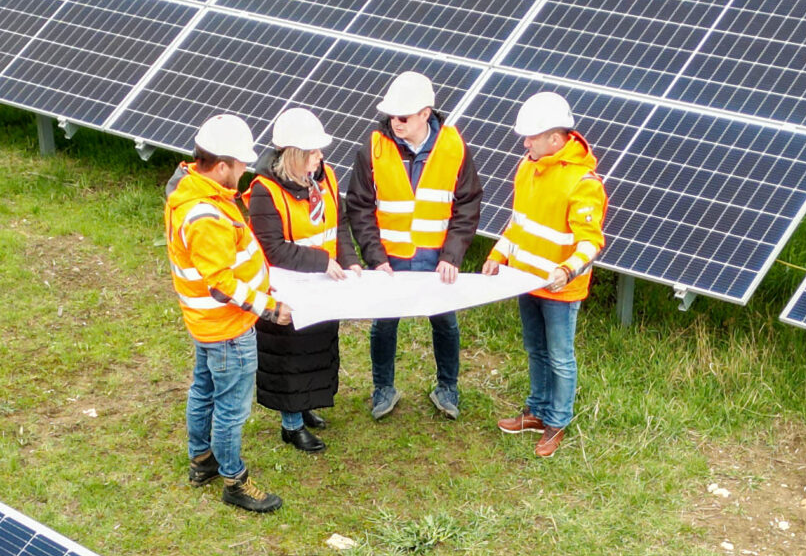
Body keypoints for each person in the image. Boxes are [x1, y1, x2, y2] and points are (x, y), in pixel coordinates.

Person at [166, 113, 285, 513]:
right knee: (231, 409)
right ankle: (234, 479)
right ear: (220, 166)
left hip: (207, 325)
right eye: (239, 165)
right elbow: (222, 284)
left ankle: (202, 461)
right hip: (228, 327)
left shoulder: (197, 193)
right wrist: (270, 308)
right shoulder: (206, 215)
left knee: (203, 391)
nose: (244, 170)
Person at [347, 69, 480, 422]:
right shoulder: (373, 147)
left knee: (446, 324)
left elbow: (467, 205)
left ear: (426, 113)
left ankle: (447, 387)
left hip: (437, 260)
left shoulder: (454, 146)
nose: (396, 122)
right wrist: (375, 258)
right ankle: (383, 388)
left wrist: (452, 255)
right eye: (392, 115)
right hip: (390, 261)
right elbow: (359, 206)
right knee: (384, 325)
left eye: (404, 116)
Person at [483, 91, 603, 461]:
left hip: (560, 289)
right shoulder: (527, 167)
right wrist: (497, 253)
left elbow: (592, 242)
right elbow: (518, 223)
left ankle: (557, 421)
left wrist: (566, 270)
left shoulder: (583, 183)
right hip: (525, 280)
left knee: (560, 356)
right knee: (535, 349)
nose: (525, 142)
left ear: (556, 138)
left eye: (532, 137)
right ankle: (535, 411)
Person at [242, 107, 361, 454]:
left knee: (317, 347)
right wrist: (323, 261)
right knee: (289, 357)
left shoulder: (327, 179)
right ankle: (290, 425)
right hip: (287, 288)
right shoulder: (265, 191)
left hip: (322, 284)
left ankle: (306, 407)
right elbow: (274, 249)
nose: (321, 157)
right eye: (313, 152)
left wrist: (349, 260)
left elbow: (338, 226)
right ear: (294, 156)